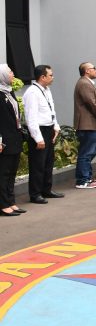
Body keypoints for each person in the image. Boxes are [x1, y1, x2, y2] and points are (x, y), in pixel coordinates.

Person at [23, 65, 64, 204]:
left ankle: (46, 189)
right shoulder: (32, 92)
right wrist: (38, 138)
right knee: (37, 164)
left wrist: (55, 126)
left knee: (48, 162)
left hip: (49, 129)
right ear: (42, 77)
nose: (53, 77)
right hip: (39, 131)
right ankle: (35, 194)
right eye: (50, 75)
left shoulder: (46, 90)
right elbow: (31, 117)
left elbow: (51, 110)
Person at [73, 62, 96, 189]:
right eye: (94, 68)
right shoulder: (84, 83)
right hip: (87, 124)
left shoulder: (86, 83)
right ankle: (83, 180)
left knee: (89, 152)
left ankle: (87, 177)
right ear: (87, 71)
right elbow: (91, 103)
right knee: (86, 153)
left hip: (89, 124)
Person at [0, 65, 25, 216]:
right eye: (9, 71)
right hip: (4, 140)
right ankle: (3, 204)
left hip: (14, 137)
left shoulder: (9, 92)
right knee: (3, 173)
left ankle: (11, 201)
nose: (12, 73)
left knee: (12, 172)